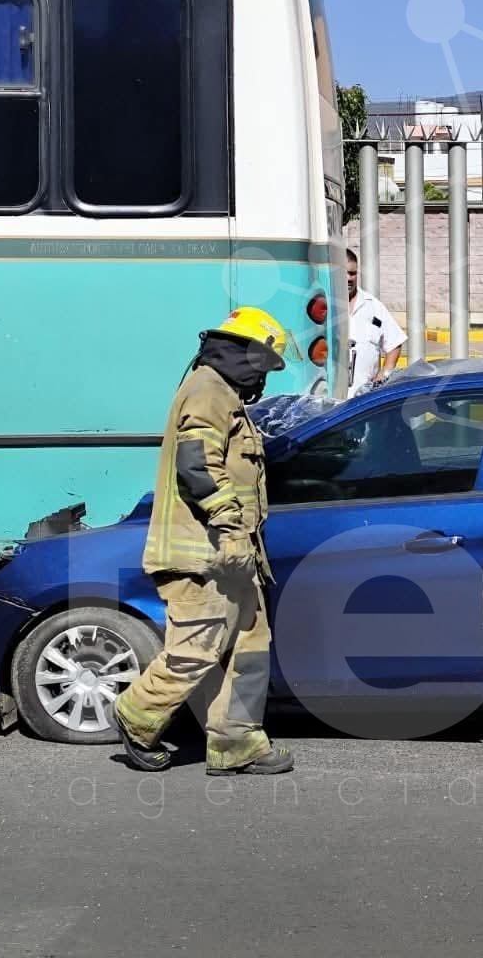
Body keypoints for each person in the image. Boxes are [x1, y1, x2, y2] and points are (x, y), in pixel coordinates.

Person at [113, 307, 296, 777]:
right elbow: (197, 465)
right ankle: (137, 713)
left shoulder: (223, 393)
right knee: (198, 647)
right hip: (205, 554)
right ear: (246, 354)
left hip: (231, 555)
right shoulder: (208, 390)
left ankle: (237, 744)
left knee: (248, 648)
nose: (264, 376)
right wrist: (230, 527)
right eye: (264, 364)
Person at [344, 249, 405, 397]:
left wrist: (384, 375)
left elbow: (395, 343)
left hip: (364, 400)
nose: (349, 278)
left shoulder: (373, 306)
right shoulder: (324, 306)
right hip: (329, 398)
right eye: (344, 273)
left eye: (352, 273)